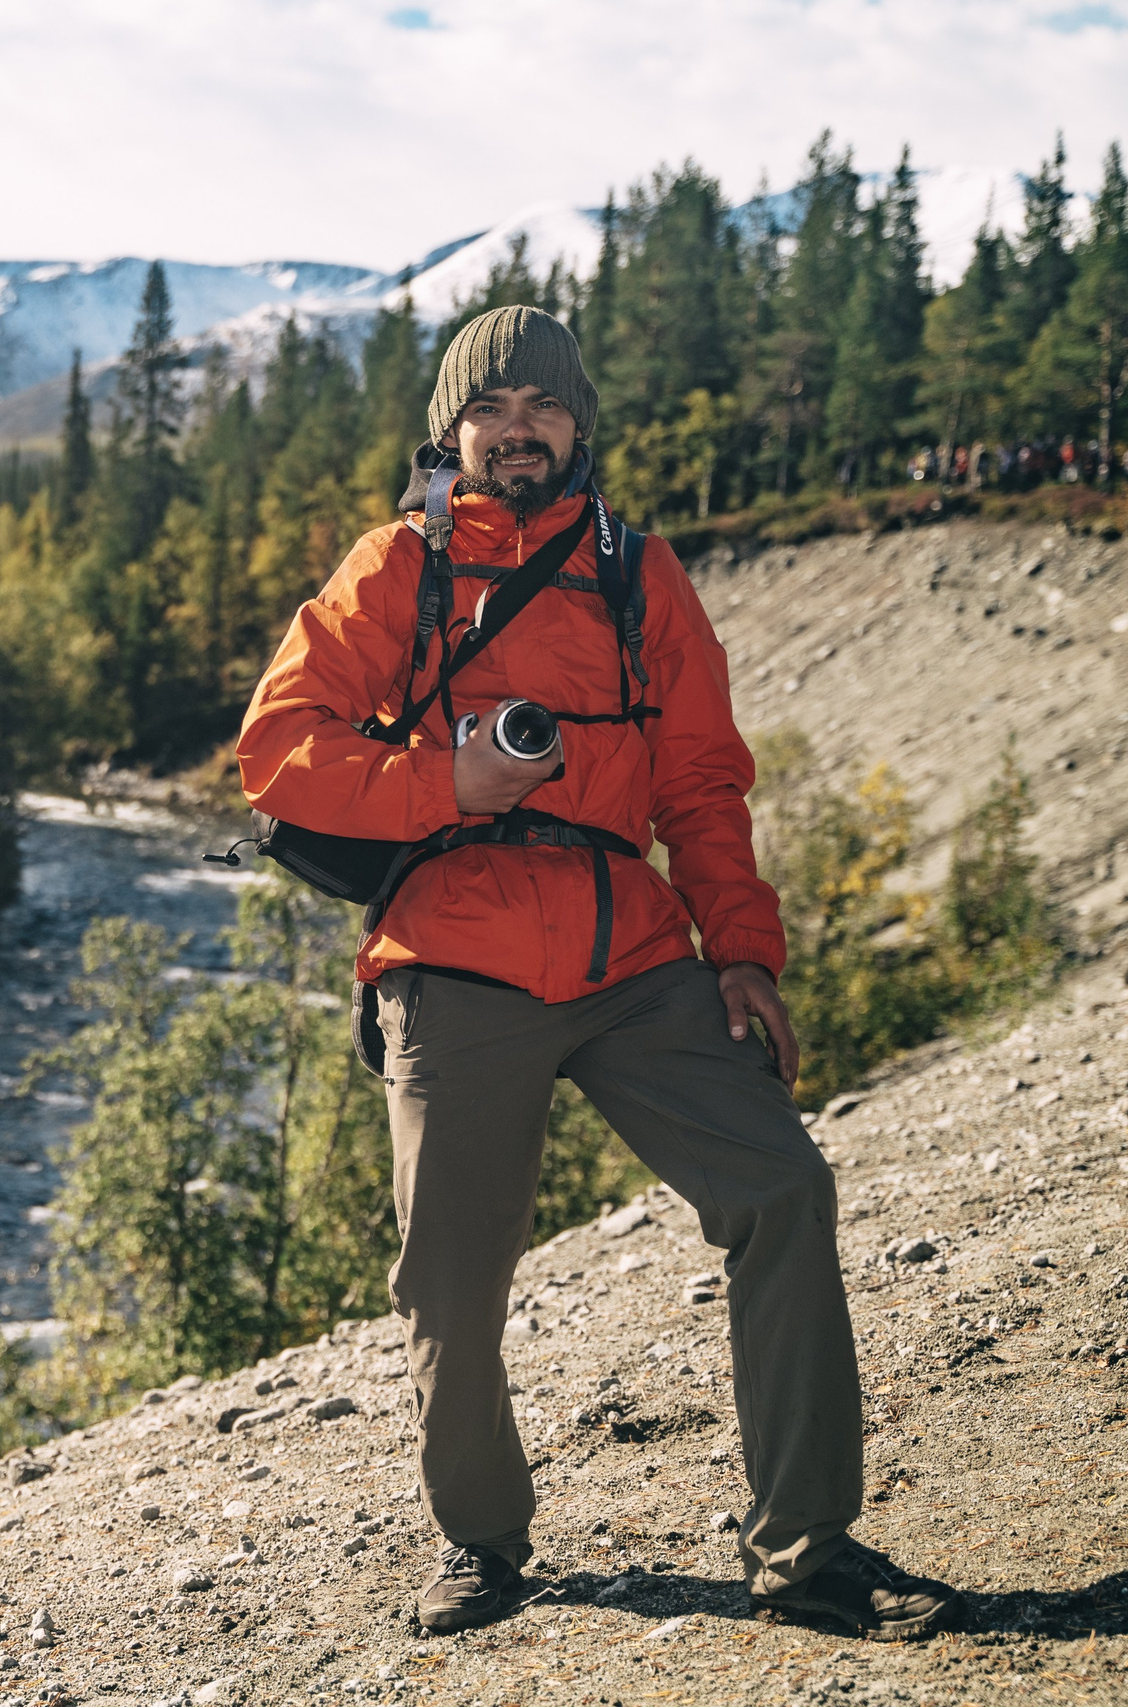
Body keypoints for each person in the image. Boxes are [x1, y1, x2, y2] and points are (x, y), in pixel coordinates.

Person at [236, 306, 967, 1642]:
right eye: (491, 411)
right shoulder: (394, 566)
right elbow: (275, 751)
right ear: (451, 434)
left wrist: (742, 954)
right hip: (453, 953)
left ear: (579, 427)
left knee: (783, 1186)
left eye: (542, 409)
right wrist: (444, 780)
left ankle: (808, 1553)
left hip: (633, 953)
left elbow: (700, 781)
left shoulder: (644, 572)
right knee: (450, 1279)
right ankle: (483, 1543)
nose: (517, 431)